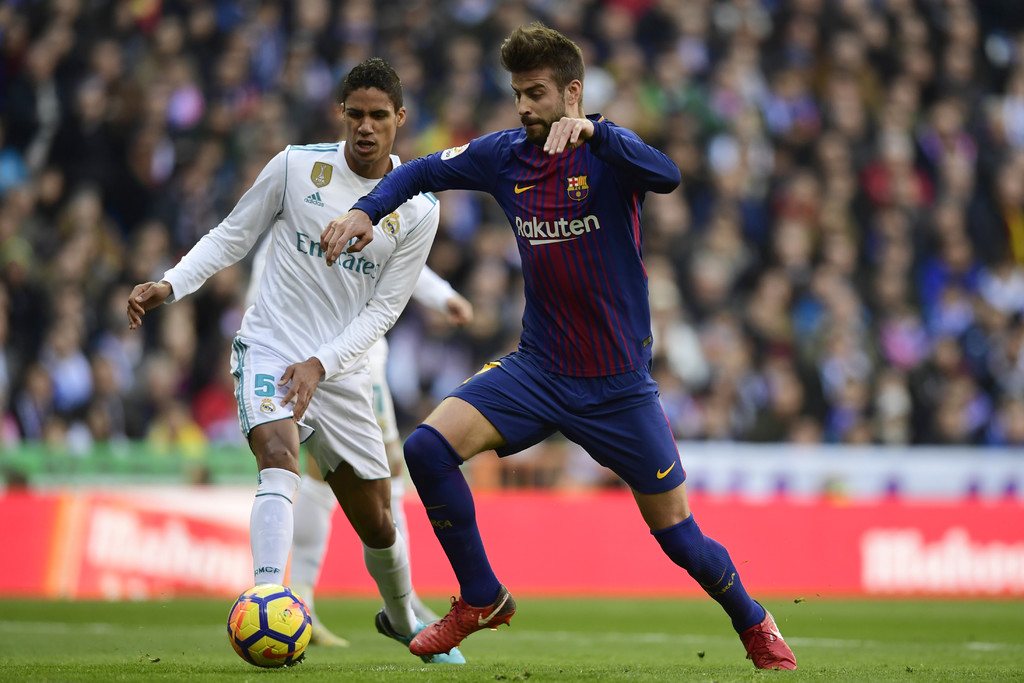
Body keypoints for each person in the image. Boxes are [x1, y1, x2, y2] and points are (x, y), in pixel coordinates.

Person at [320, 24, 797, 670]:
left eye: (537, 93)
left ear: (572, 92)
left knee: (679, 536)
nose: (524, 106)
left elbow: (669, 174)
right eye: (518, 93)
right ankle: (481, 595)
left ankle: (753, 620)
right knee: (427, 448)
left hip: (618, 386)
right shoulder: (505, 155)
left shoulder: (608, 154)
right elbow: (426, 170)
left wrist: (602, 132)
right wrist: (367, 211)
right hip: (540, 369)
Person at [126, 57, 464, 665]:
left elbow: (384, 312)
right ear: (341, 115)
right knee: (279, 456)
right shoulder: (295, 167)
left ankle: (401, 612)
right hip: (271, 345)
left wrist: (323, 364)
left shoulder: (418, 207)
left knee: (378, 522)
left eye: (379, 116)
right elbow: (233, 235)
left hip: (341, 370)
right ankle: (267, 594)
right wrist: (170, 284)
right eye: (355, 114)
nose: (366, 127)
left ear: (400, 120)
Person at [288, 267, 473, 646]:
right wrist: (443, 294)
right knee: (344, 468)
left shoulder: (354, 213)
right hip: (349, 351)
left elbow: (398, 253)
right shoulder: (349, 214)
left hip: (336, 344)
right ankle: (390, 601)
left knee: (343, 467)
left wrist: (442, 296)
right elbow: (394, 250)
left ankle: (306, 597)